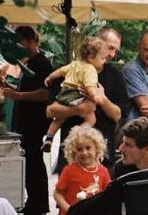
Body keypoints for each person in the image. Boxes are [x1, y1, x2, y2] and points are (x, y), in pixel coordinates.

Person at [49, 28, 130, 169]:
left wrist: (103, 98)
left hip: (102, 153)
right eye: (110, 48)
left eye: (116, 51)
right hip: (72, 152)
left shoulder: (116, 76)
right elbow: (50, 111)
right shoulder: (71, 70)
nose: (112, 54)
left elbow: (118, 116)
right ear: (96, 44)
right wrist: (80, 109)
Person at [0, 26, 52, 215]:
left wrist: (19, 96)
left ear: (31, 41)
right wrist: (9, 87)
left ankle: (36, 210)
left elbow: (45, 93)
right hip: (26, 121)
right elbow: (26, 90)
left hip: (35, 122)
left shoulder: (42, 63)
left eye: (20, 43)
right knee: (32, 164)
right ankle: (37, 207)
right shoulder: (28, 63)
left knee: (34, 166)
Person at [42, 36, 108, 152]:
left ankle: (49, 138)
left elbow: (60, 71)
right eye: (102, 58)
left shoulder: (74, 64)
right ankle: (71, 139)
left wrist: (49, 78)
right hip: (76, 96)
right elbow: (89, 86)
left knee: (59, 119)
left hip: (64, 94)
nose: (104, 61)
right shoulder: (90, 69)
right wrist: (96, 96)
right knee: (91, 119)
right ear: (92, 57)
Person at [53, 125, 111, 215]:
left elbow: (108, 195)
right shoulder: (69, 170)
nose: (84, 153)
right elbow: (57, 193)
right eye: (79, 149)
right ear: (74, 151)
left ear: (97, 148)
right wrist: (68, 209)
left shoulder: (103, 171)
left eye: (88, 148)